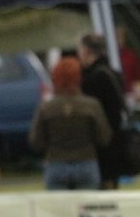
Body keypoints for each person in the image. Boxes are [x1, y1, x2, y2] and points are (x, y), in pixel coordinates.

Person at [29, 57, 111, 191]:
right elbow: (104, 137)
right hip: (86, 162)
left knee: (59, 211)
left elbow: (35, 141)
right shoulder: (91, 105)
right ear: (78, 78)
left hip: (56, 163)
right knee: (86, 209)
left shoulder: (46, 108)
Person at [78, 33, 126, 190]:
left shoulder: (92, 78)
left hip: (99, 144)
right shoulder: (114, 73)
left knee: (102, 188)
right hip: (116, 139)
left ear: (86, 51)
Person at [115, 25, 140, 96]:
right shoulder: (108, 56)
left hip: (130, 94)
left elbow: (139, 78)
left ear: (124, 39)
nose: (118, 41)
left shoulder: (131, 56)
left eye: (120, 37)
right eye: (116, 37)